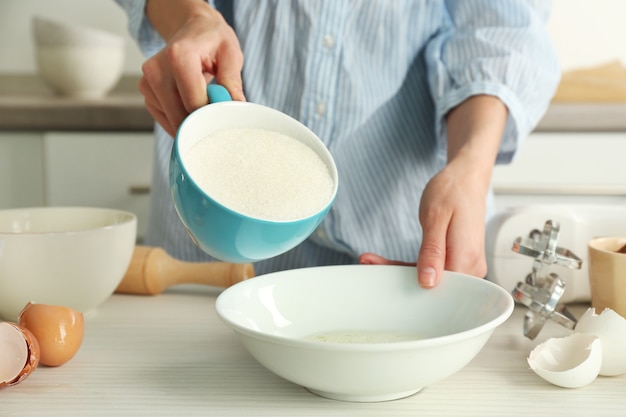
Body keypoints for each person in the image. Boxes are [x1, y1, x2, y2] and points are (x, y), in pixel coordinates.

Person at [113, 0, 560, 288]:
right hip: (204, 271)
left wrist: (470, 165)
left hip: (400, 263)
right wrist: (192, 17)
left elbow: (500, 32)